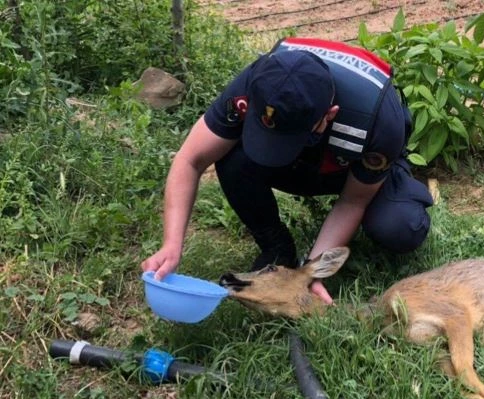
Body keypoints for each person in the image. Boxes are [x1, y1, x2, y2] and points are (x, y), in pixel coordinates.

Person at [141, 38, 434, 303]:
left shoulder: (379, 121)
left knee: (399, 226)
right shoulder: (258, 82)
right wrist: (172, 244)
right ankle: (276, 246)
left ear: (328, 116)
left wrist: (311, 273)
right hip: (303, 161)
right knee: (233, 159)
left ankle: (400, 194)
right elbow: (189, 160)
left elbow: (353, 200)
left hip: (350, 166)